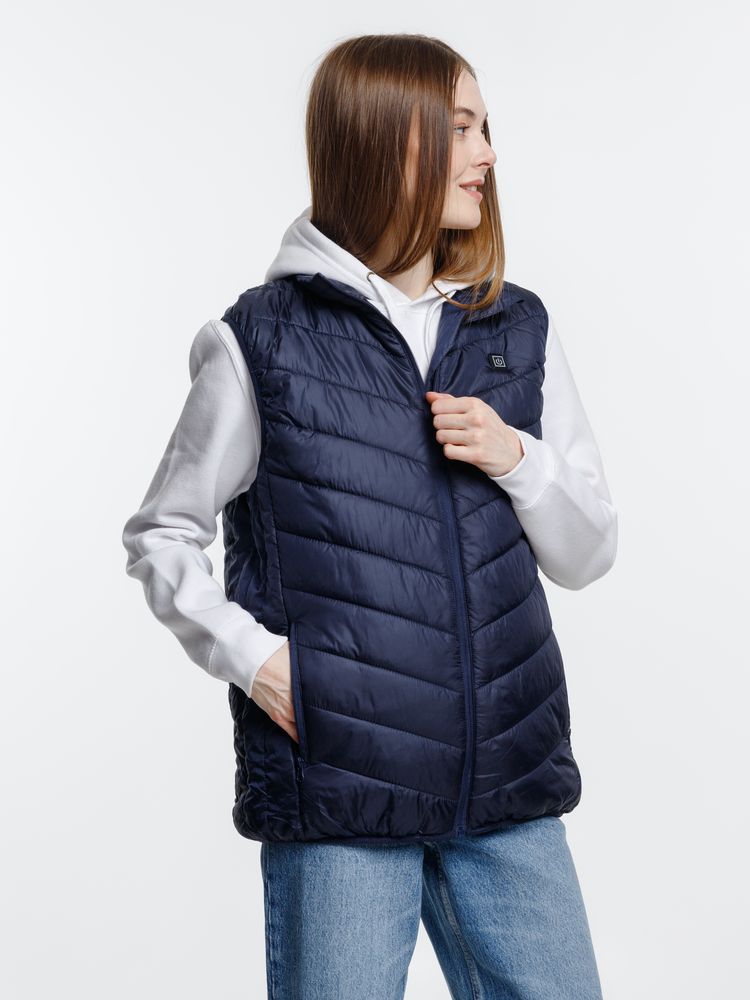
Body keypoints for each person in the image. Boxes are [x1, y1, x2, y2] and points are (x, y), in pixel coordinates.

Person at [122, 32, 617, 1000]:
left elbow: (589, 551)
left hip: (507, 788)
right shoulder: (260, 339)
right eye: (462, 128)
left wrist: (517, 459)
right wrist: (257, 661)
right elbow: (162, 533)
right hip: (342, 788)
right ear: (391, 139)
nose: (488, 154)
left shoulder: (515, 327)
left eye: (486, 128)